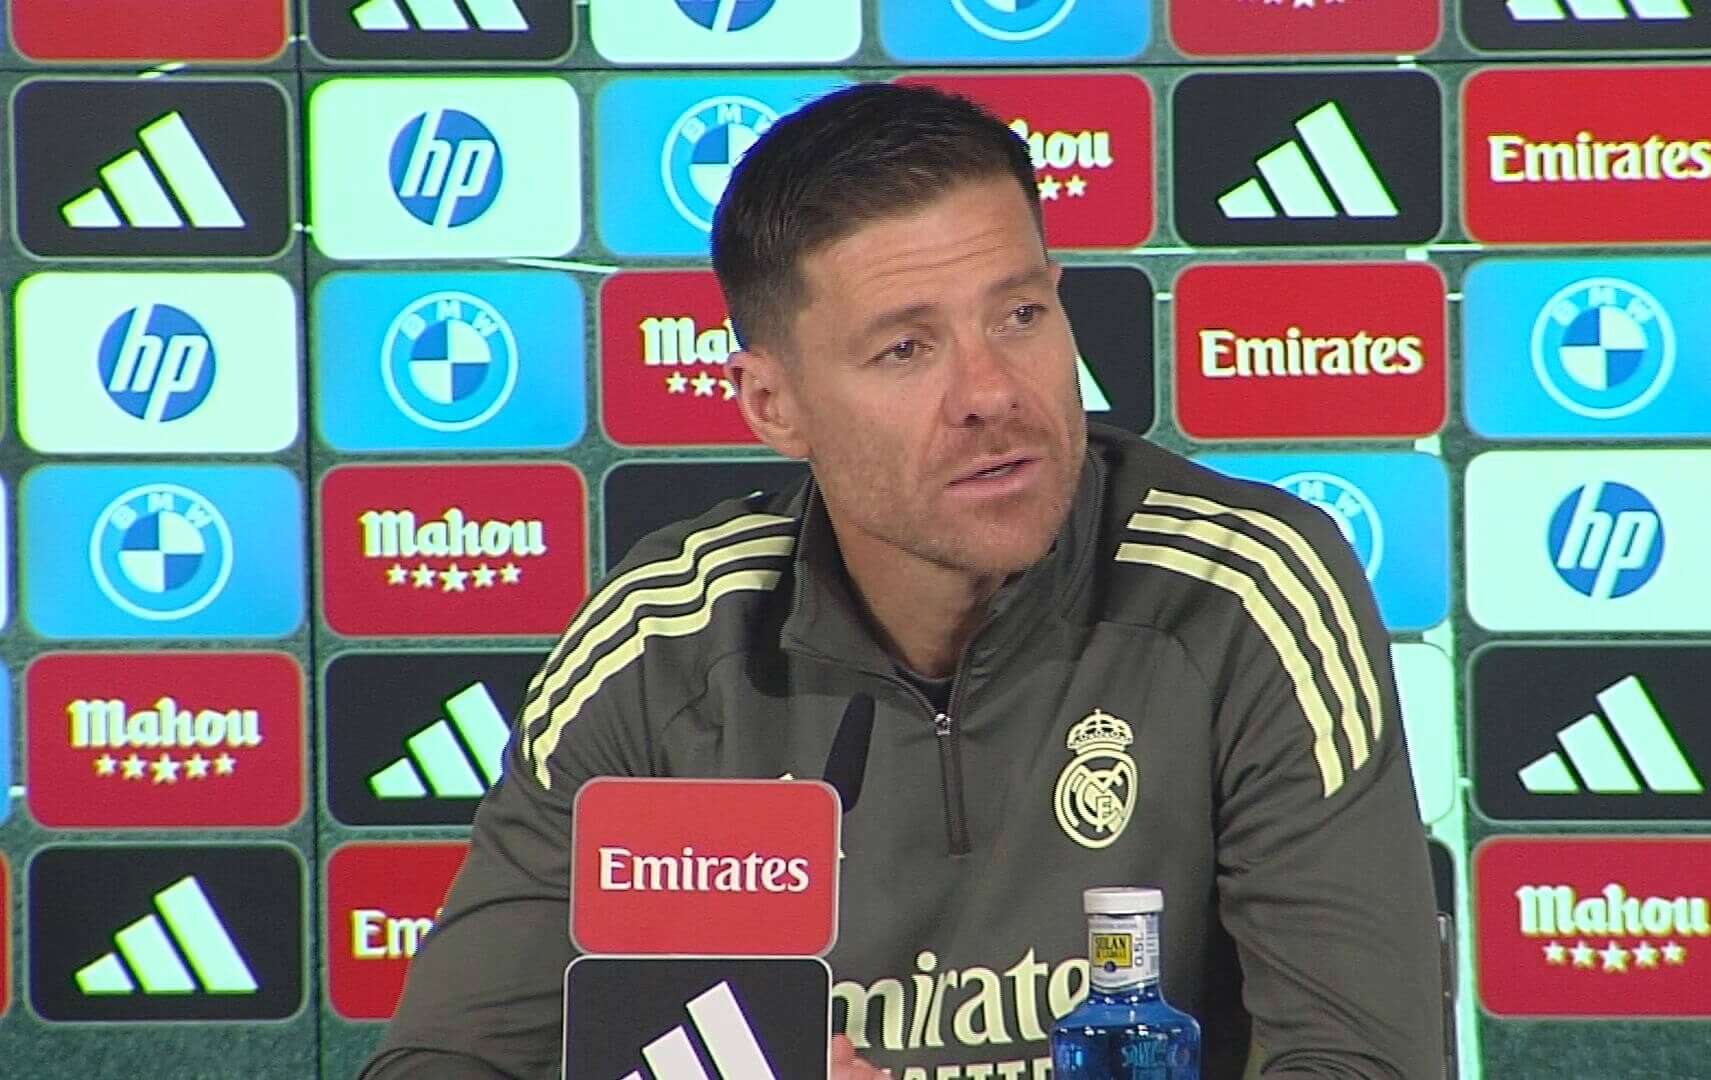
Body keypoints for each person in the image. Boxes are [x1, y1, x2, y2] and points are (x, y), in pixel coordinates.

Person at [362, 81, 1444, 1080]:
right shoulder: (664, 648)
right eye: (905, 350)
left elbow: (1367, 1064)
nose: (991, 393)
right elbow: (442, 1064)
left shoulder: (1242, 589)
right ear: (772, 404)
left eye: (1020, 315)